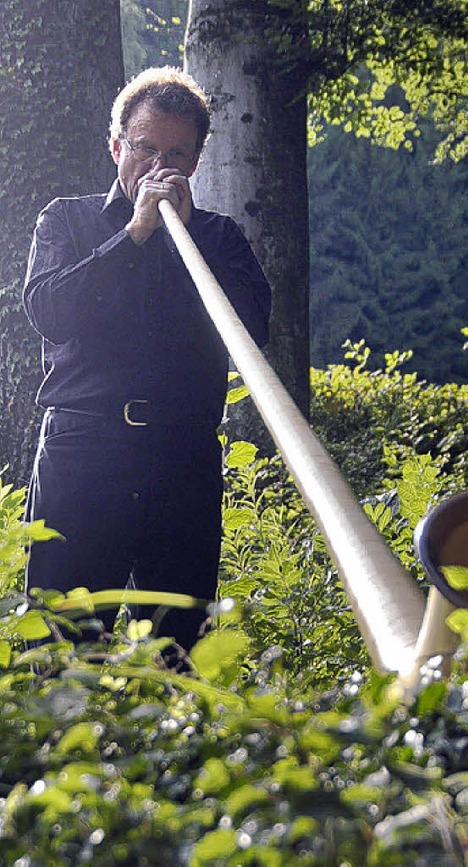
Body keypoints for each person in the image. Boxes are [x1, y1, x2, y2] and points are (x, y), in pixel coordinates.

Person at [23, 67, 271, 654]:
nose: (158, 165)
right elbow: (50, 312)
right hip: (83, 453)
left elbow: (249, 336)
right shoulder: (66, 221)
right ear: (117, 146)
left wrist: (181, 238)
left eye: (176, 154)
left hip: (181, 460)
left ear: (195, 163)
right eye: (144, 148)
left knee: (177, 650)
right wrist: (133, 235)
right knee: (63, 646)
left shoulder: (221, 238)